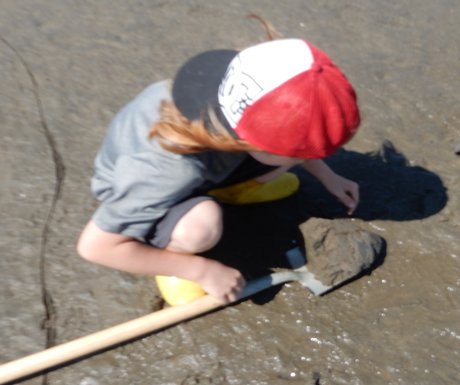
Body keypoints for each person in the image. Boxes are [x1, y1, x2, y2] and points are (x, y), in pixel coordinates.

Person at [77, 38, 360, 306]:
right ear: (251, 140)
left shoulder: (251, 83)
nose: (312, 157)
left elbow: (299, 130)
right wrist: (200, 270)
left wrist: (327, 175)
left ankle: (230, 191)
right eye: (306, 152)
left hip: (210, 155)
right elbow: (96, 247)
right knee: (200, 229)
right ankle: (172, 254)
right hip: (151, 188)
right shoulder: (167, 169)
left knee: (282, 160)